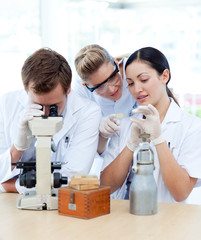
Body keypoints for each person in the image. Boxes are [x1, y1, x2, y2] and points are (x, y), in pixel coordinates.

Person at [100, 46, 201, 203]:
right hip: (125, 219)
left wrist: (158, 139)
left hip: (168, 221)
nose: (137, 89)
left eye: (144, 80)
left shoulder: (192, 127)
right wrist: (131, 144)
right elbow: (106, 186)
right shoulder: (126, 126)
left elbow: (180, 193)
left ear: (164, 76)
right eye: (131, 83)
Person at [0, 48, 101, 194]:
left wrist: (10, 186)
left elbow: (72, 178)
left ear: (68, 90)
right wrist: (18, 147)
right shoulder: (6, 103)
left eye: (53, 106)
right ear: (26, 90)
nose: (46, 114)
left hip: (58, 206)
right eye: (38, 105)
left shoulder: (88, 112)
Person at [73, 44, 137, 174]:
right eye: (100, 87)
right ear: (86, 86)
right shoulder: (81, 93)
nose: (112, 89)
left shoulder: (134, 70)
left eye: (112, 77)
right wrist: (102, 134)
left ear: (115, 63)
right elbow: (95, 149)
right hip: (110, 162)